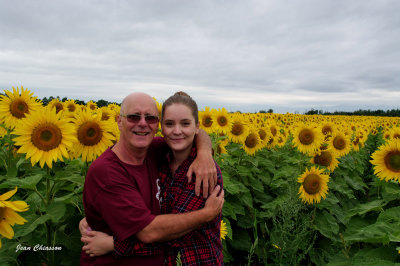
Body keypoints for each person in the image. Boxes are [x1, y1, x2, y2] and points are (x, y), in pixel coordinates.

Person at [80, 92, 223, 265]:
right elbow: (151, 231)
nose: (142, 124)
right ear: (119, 121)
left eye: (150, 118)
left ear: (156, 126)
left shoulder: (200, 171)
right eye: (133, 117)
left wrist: (205, 153)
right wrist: (206, 214)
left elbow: (165, 236)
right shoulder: (110, 171)